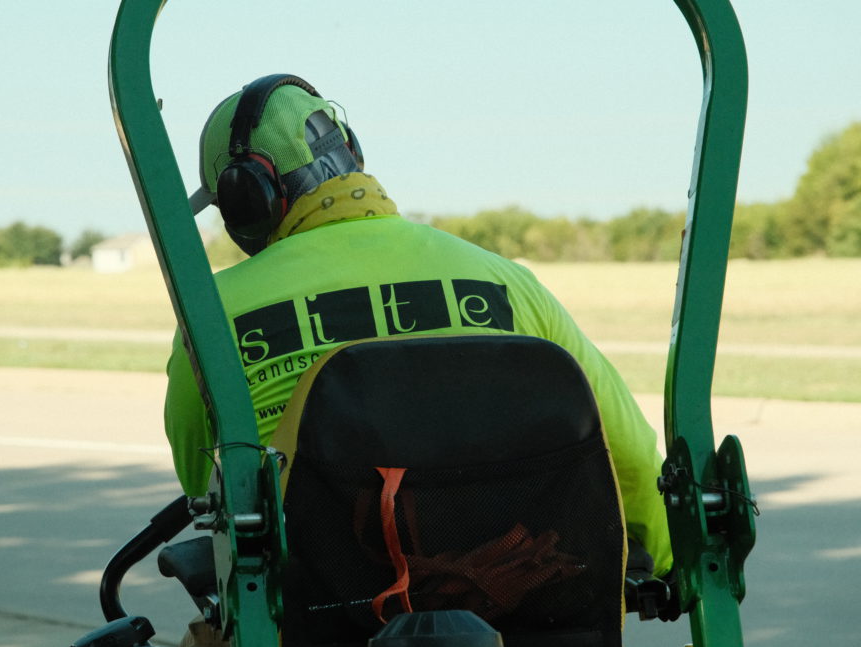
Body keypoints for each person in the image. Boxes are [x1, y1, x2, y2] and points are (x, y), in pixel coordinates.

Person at [164, 73, 672, 578]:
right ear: (351, 153)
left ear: (245, 197)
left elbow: (204, 484)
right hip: (513, 615)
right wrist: (675, 568)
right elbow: (625, 452)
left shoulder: (212, 311)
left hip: (307, 636)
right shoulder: (507, 283)